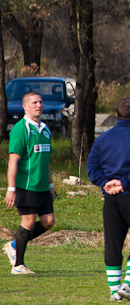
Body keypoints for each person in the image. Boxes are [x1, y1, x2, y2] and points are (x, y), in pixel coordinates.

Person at [87, 98, 130, 302]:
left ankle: (114, 292)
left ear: (116, 115)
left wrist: (105, 183)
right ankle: (127, 285)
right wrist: (124, 183)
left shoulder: (102, 139)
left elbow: (92, 168)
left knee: (113, 244)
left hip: (110, 199)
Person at [3, 91, 55, 275]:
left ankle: (14, 245)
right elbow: (13, 161)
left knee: (48, 221)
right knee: (28, 222)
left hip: (42, 187)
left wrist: (50, 185)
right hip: (25, 186)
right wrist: (11, 189)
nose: (39, 105)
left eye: (40, 102)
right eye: (34, 103)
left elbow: (46, 161)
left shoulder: (45, 129)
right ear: (25, 106)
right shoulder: (21, 129)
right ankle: (18, 266)